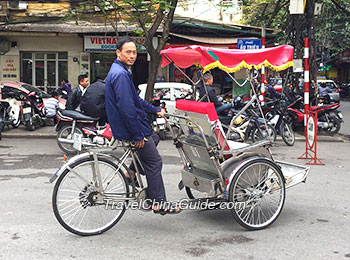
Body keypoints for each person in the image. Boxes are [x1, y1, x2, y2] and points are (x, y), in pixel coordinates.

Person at [105, 37, 181, 215]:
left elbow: (136, 100)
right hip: (129, 127)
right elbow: (127, 108)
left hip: (129, 124)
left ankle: (131, 172)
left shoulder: (121, 71)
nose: (132, 55)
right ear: (118, 53)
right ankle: (158, 203)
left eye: (134, 52)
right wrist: (137, 135)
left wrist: (155, 110)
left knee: (154, 137)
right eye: (128, 52)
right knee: (155, 161)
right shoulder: (121, 75)